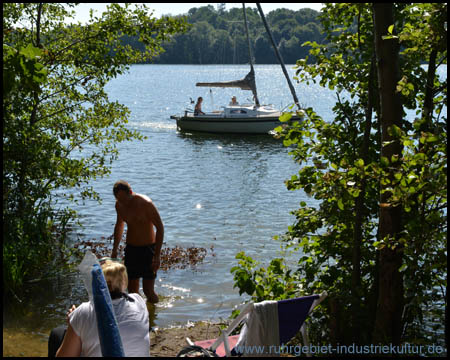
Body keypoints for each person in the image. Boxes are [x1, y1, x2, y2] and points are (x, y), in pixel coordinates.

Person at [49, 260, 150, 357]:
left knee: (57, 334)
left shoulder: (83, 311)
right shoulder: (138, 301)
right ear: (123, 283)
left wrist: (73, 320)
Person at [112, 180, 164, 304]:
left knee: (148, 291)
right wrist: (114, 250)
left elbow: (160, 228)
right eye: (119, 200)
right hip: (131, 250)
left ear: (131, 192)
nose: (123, 203)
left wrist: (157, 256)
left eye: (125, 199)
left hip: (148, 250)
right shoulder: (119, 205)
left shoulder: (146, 203)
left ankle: (154, 318)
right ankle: (138, 319)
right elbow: (119, 226)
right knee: (132, 293)